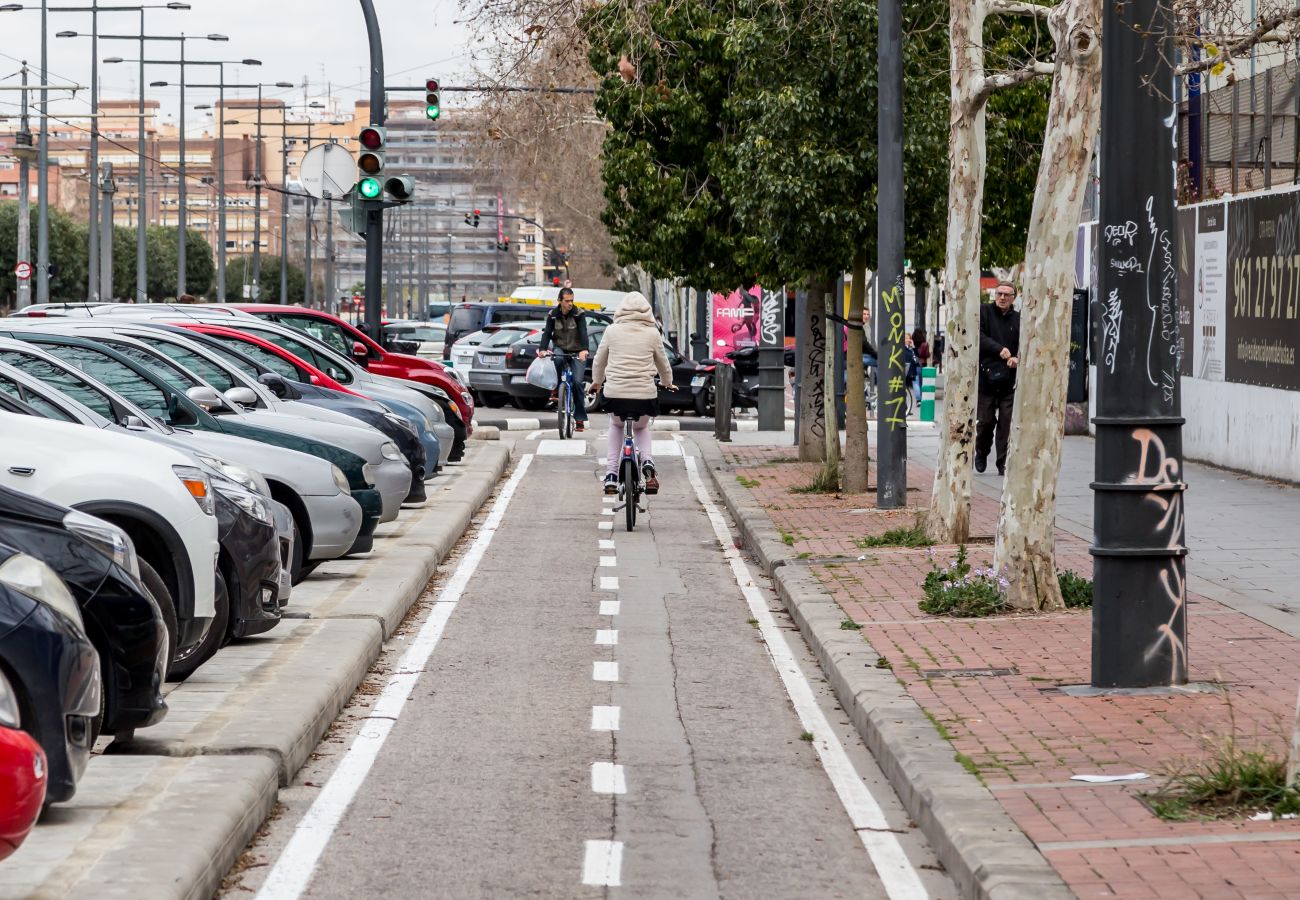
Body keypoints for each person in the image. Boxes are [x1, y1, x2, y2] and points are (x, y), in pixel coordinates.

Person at [590, 292, 676, 495]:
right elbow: (663, 364)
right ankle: (647, 462)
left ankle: (611, 474)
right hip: (644, 396)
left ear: (621, 310)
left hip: (615, 394)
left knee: (616, 425)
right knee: (641, 427)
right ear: (647, 312)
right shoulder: (652, 333)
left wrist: (596, 382)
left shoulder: (611, 331)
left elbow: (599, 361)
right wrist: (667, 382)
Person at [975, 282, 1021, 476]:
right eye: (999, 293)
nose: (1002, 298)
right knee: (985, 421)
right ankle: (982, 452)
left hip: (1009, 380)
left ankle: (1003, 462)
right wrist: (998, 349)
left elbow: (1025, 342)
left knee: (1006, 423)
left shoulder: (1019, 319)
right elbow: (979, 336)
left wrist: (1017, 358)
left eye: (1007, 295)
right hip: (987, 378)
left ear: (1013, 298)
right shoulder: (984, 312)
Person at [538, 287, 590, 432]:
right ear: (560, 301)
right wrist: (542, 349)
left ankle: (579, 418)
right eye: (567, 301)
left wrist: (584, 350)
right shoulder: (553, 315)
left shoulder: (579, 314)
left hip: (578, 351)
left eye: (572, 300)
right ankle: (558, 387)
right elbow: (547, 333)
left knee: (578, 383)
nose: (570, 304)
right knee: (557, 359)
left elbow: (584, 333)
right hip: (560, 347)